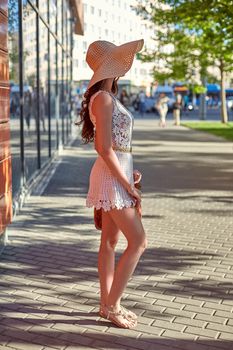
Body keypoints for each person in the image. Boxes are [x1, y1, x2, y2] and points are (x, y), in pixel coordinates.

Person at [76, 39, 147, 329]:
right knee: (138, 241)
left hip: (114, 173)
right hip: (110, 176)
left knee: (110, 242)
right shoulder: (103, 99)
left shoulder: (105, 97)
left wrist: (130, 173)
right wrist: (127, 185)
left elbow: (115, 148)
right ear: (111, 67)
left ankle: (106, 305)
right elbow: (104, 148)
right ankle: (113, 304)